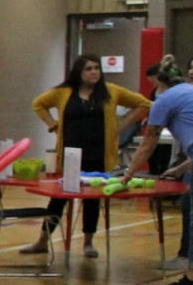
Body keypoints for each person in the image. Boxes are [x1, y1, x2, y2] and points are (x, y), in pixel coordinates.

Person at [21, 54, 151, 259]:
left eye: (97, 68)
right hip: (70, 154)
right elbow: (39, 104)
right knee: (58, 199)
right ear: (79, 72)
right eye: (88, 69)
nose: (94, 72)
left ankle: (88, 242)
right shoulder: (64, 92)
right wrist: (52, 124)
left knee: (92, 200)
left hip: (99, 153)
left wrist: (122, 125)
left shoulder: (111, 91)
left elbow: (144, 104)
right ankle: (42, 241)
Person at [124, 59, 193, 285]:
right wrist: (181, 169)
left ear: (159, 83)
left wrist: (128, 174)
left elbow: (148, 143)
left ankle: (191, 279)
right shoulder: (190, 92)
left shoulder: (163, 100)